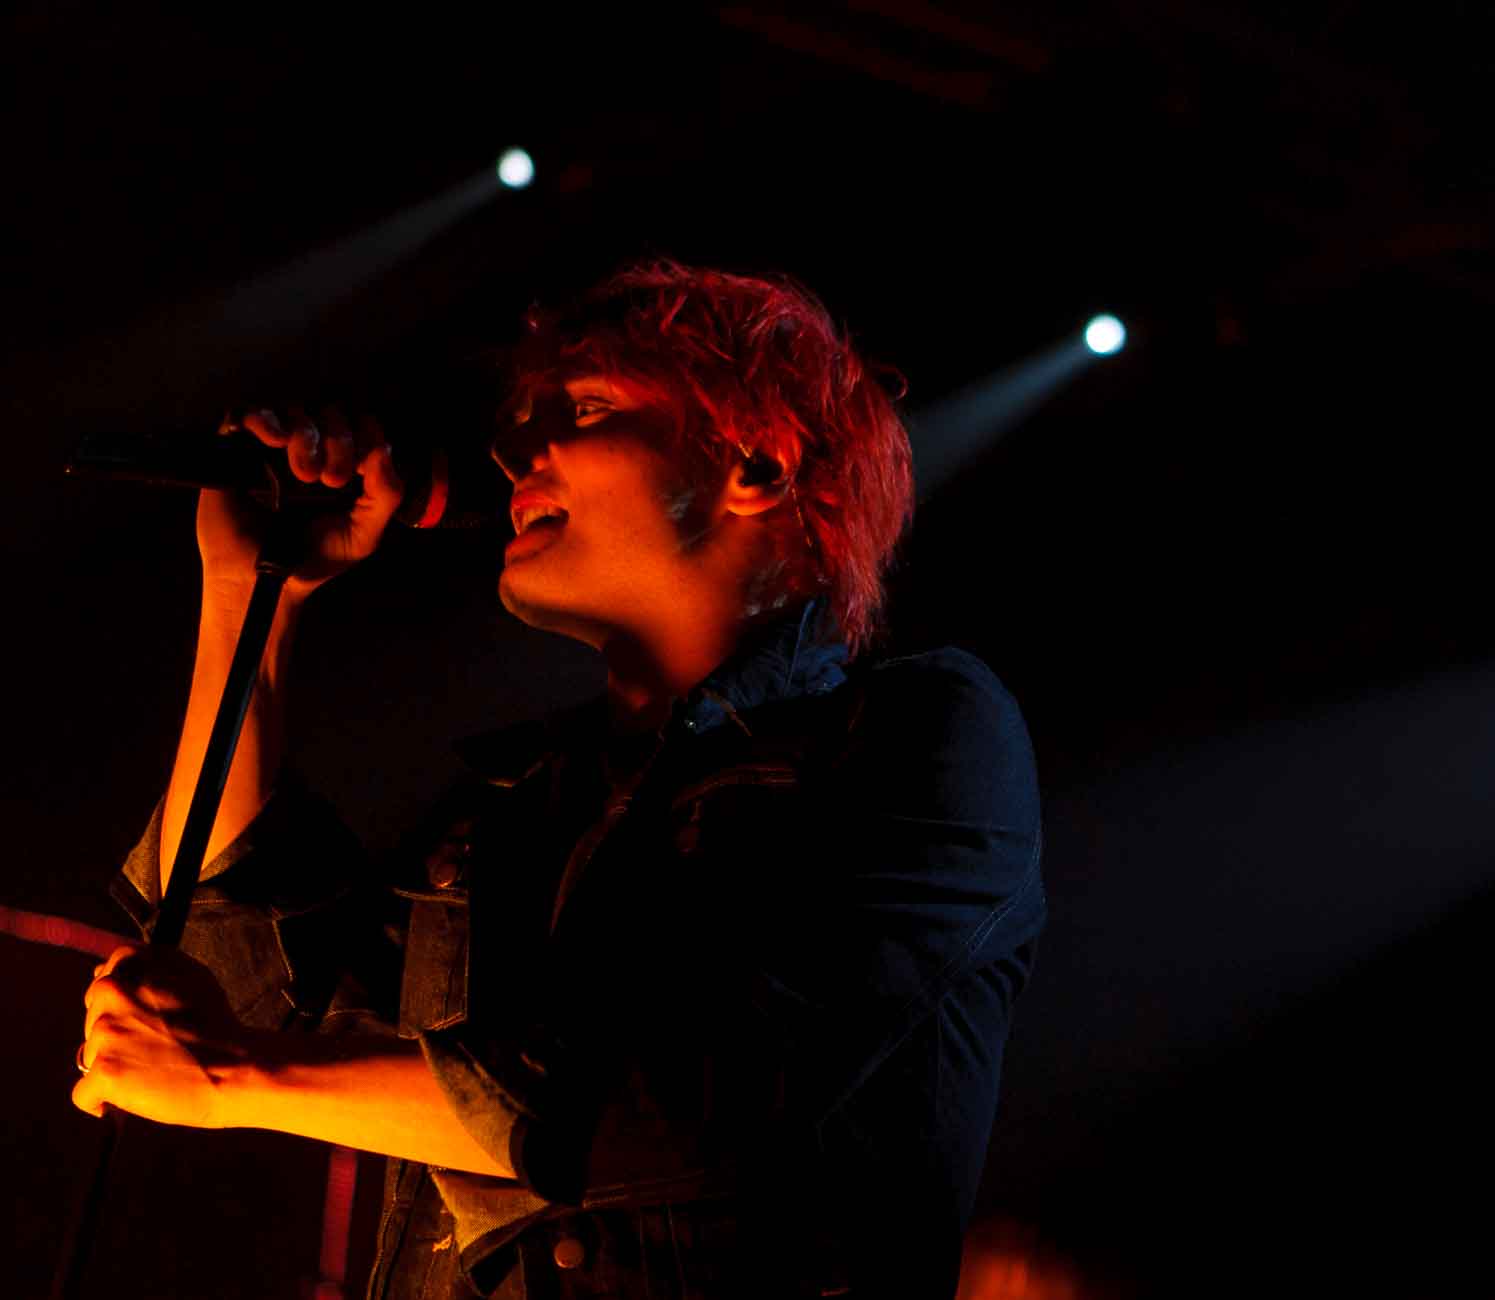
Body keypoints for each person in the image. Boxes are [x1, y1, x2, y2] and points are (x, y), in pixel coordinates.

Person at [73, 259, 1047, 1299]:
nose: (511, 451)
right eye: (518, 421)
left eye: (581, 409)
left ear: (757, 463)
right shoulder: (521, 802)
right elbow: (250, 980)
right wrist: (246, 593)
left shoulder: (918, 731)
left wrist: (231, 1073)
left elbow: (686, 1090)